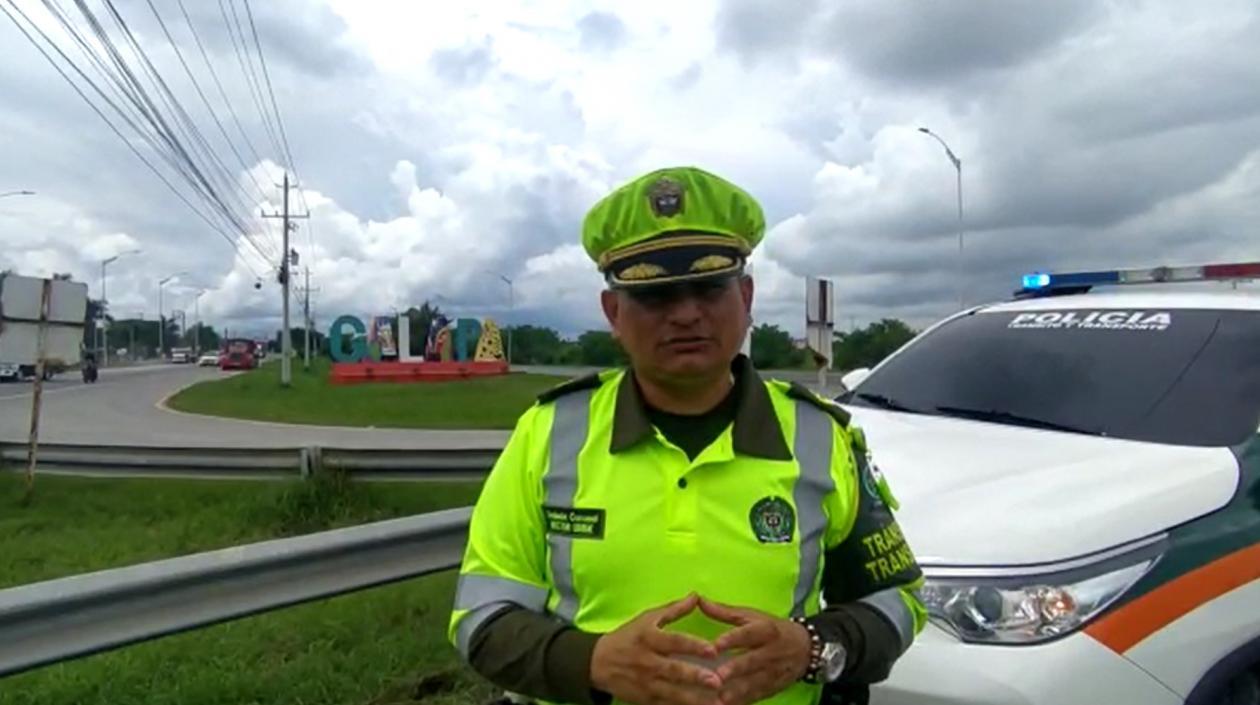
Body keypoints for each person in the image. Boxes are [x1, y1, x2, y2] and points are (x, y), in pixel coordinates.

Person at [449, 166, 925, 705]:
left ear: (745, 297)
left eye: (709, 287)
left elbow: (900, 601)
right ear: (613, 313)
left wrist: (813, 648)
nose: (686, 314)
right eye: (655, 295)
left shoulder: (820, 436)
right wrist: (593, 662)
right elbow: (481, 618)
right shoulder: (549, 431)